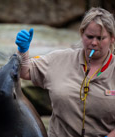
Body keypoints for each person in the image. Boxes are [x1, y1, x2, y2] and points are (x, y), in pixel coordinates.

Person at [15, 7, 115, 137]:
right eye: (89, 37)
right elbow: (26, 72)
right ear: (81, 34)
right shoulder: (59, 59)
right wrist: (23, 51)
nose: (94, 43)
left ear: (112, 38)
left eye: (101, 38)